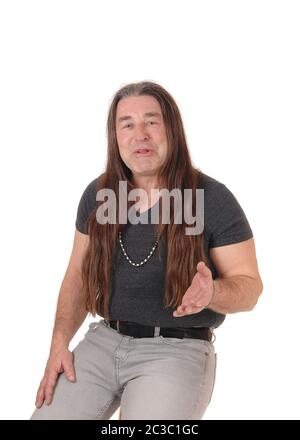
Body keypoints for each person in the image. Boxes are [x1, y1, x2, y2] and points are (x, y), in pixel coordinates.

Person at [30, 81, 263, 420]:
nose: (140, 134)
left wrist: (212, 292)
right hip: (103, 341)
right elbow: (77, 275)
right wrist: (59, 343)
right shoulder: (98, 195)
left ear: (172, 130)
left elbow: (250, 287)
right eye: (127, 124)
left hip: (176, 350)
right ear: (116, 136)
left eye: (152, 122)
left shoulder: (212, 198)